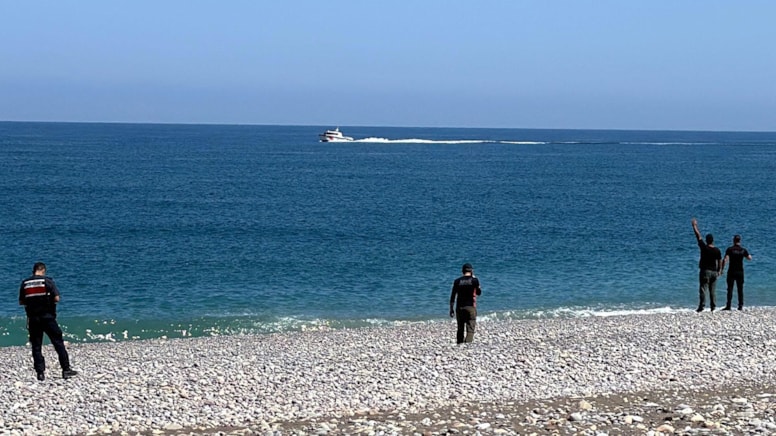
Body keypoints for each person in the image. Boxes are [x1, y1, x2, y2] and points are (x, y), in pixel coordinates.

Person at [19, 262, 78, 381]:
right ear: (43, 270)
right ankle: (66, 369)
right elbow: (57, 298)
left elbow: (21, 301)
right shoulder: (47, 281)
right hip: (47, 317)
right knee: (58, 342)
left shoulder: (25, 283)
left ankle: (40, 373)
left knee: (36, 345)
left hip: (33, 318)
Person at [691, 219, 722, 312]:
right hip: (714, 271)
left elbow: (698, 236)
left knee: (703, 289)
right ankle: (713, 306)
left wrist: (694, 226)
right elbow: (720, 260)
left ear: (707, 241)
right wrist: (720, 270)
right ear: (713, 241)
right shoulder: (717, 250)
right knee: (712, 290)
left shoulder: (704, 248)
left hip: (705, 271)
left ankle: (702, 306)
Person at [449, 263, 482, 344]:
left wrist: (451, 309)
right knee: (470, 328)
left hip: (459, 307)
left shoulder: (457, 281)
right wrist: (477, 284)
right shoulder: (474, 280)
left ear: (462, 271)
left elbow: (452, 296)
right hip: (470, 306)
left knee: (460, 328)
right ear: (471, 271)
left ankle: (459, 344)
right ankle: (467, 344)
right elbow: (479, 293)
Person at [721, 235, 753, 310]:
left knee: (730, 289)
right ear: (740, 241)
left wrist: (722, 269)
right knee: (740, 289)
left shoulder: (730, 249)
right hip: (740, 272)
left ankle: (728, 306)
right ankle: (740, 306)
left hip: (731, 271)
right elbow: (749, 258)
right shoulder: (743, 250)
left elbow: (725, 259)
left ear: (733, 240)